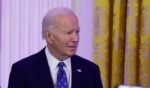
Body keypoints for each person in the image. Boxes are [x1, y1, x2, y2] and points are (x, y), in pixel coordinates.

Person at [8, 7, 103, 88]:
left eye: (77, 32)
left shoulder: (91, 71)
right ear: (49, 36)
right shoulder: (22, 71)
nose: (76, 39)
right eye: (69, 33)